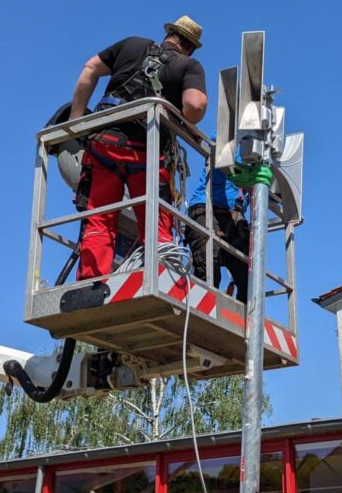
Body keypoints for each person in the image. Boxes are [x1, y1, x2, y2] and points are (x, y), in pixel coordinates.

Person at [68, 16, 208, 281]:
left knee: (99, 218)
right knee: (156, 223)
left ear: (169, 33)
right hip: (147, 152)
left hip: (104, 143)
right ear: (190, 47)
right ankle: (160, 277)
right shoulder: (188, 65)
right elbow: (195, 105)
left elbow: (90, 68)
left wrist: (76, 120)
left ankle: (91, 282)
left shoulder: (132, 44)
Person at [186, 141, 249, 301]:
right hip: (207, 208)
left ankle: (243, 314)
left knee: (249, 281)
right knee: (209, 273)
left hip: (233, 218)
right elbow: (220, 142)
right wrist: (244, 175)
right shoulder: (233, 144)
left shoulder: (260, 161)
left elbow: (276, 194)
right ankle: (200, 307)